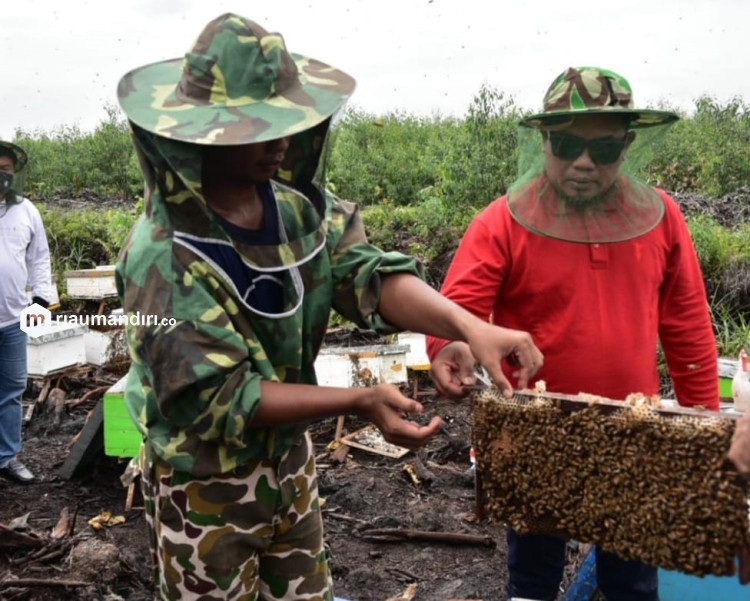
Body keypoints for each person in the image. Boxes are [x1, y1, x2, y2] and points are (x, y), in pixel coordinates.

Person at [115, 13, 542, 601]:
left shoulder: (297, 209)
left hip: (290, 465)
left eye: (287, 123)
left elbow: (364, 273)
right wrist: (360, 401)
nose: (283, 143)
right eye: (262, 129)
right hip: (201, 486)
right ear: (207, 134)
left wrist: (466, 325)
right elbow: (220, 399)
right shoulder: (160, 260)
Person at [426, 67, 719, 601]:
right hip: (536, 433)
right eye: (566, 144)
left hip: (637, 434)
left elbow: (688, 325)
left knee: (632, 582)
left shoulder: (663, 218)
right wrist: (452, 349)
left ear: (628, 145)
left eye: (604, 150)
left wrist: (703, 432)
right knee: (533, 577)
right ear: (543, 140)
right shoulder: (501, 223)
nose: (584, 162)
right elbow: (455, 312)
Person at [0, 141, 54, 484]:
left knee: (13, 389)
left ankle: (7, 457)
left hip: (14, 320)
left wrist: (41, 302)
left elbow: (40, 259)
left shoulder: (27, 210)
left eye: (5, 170)